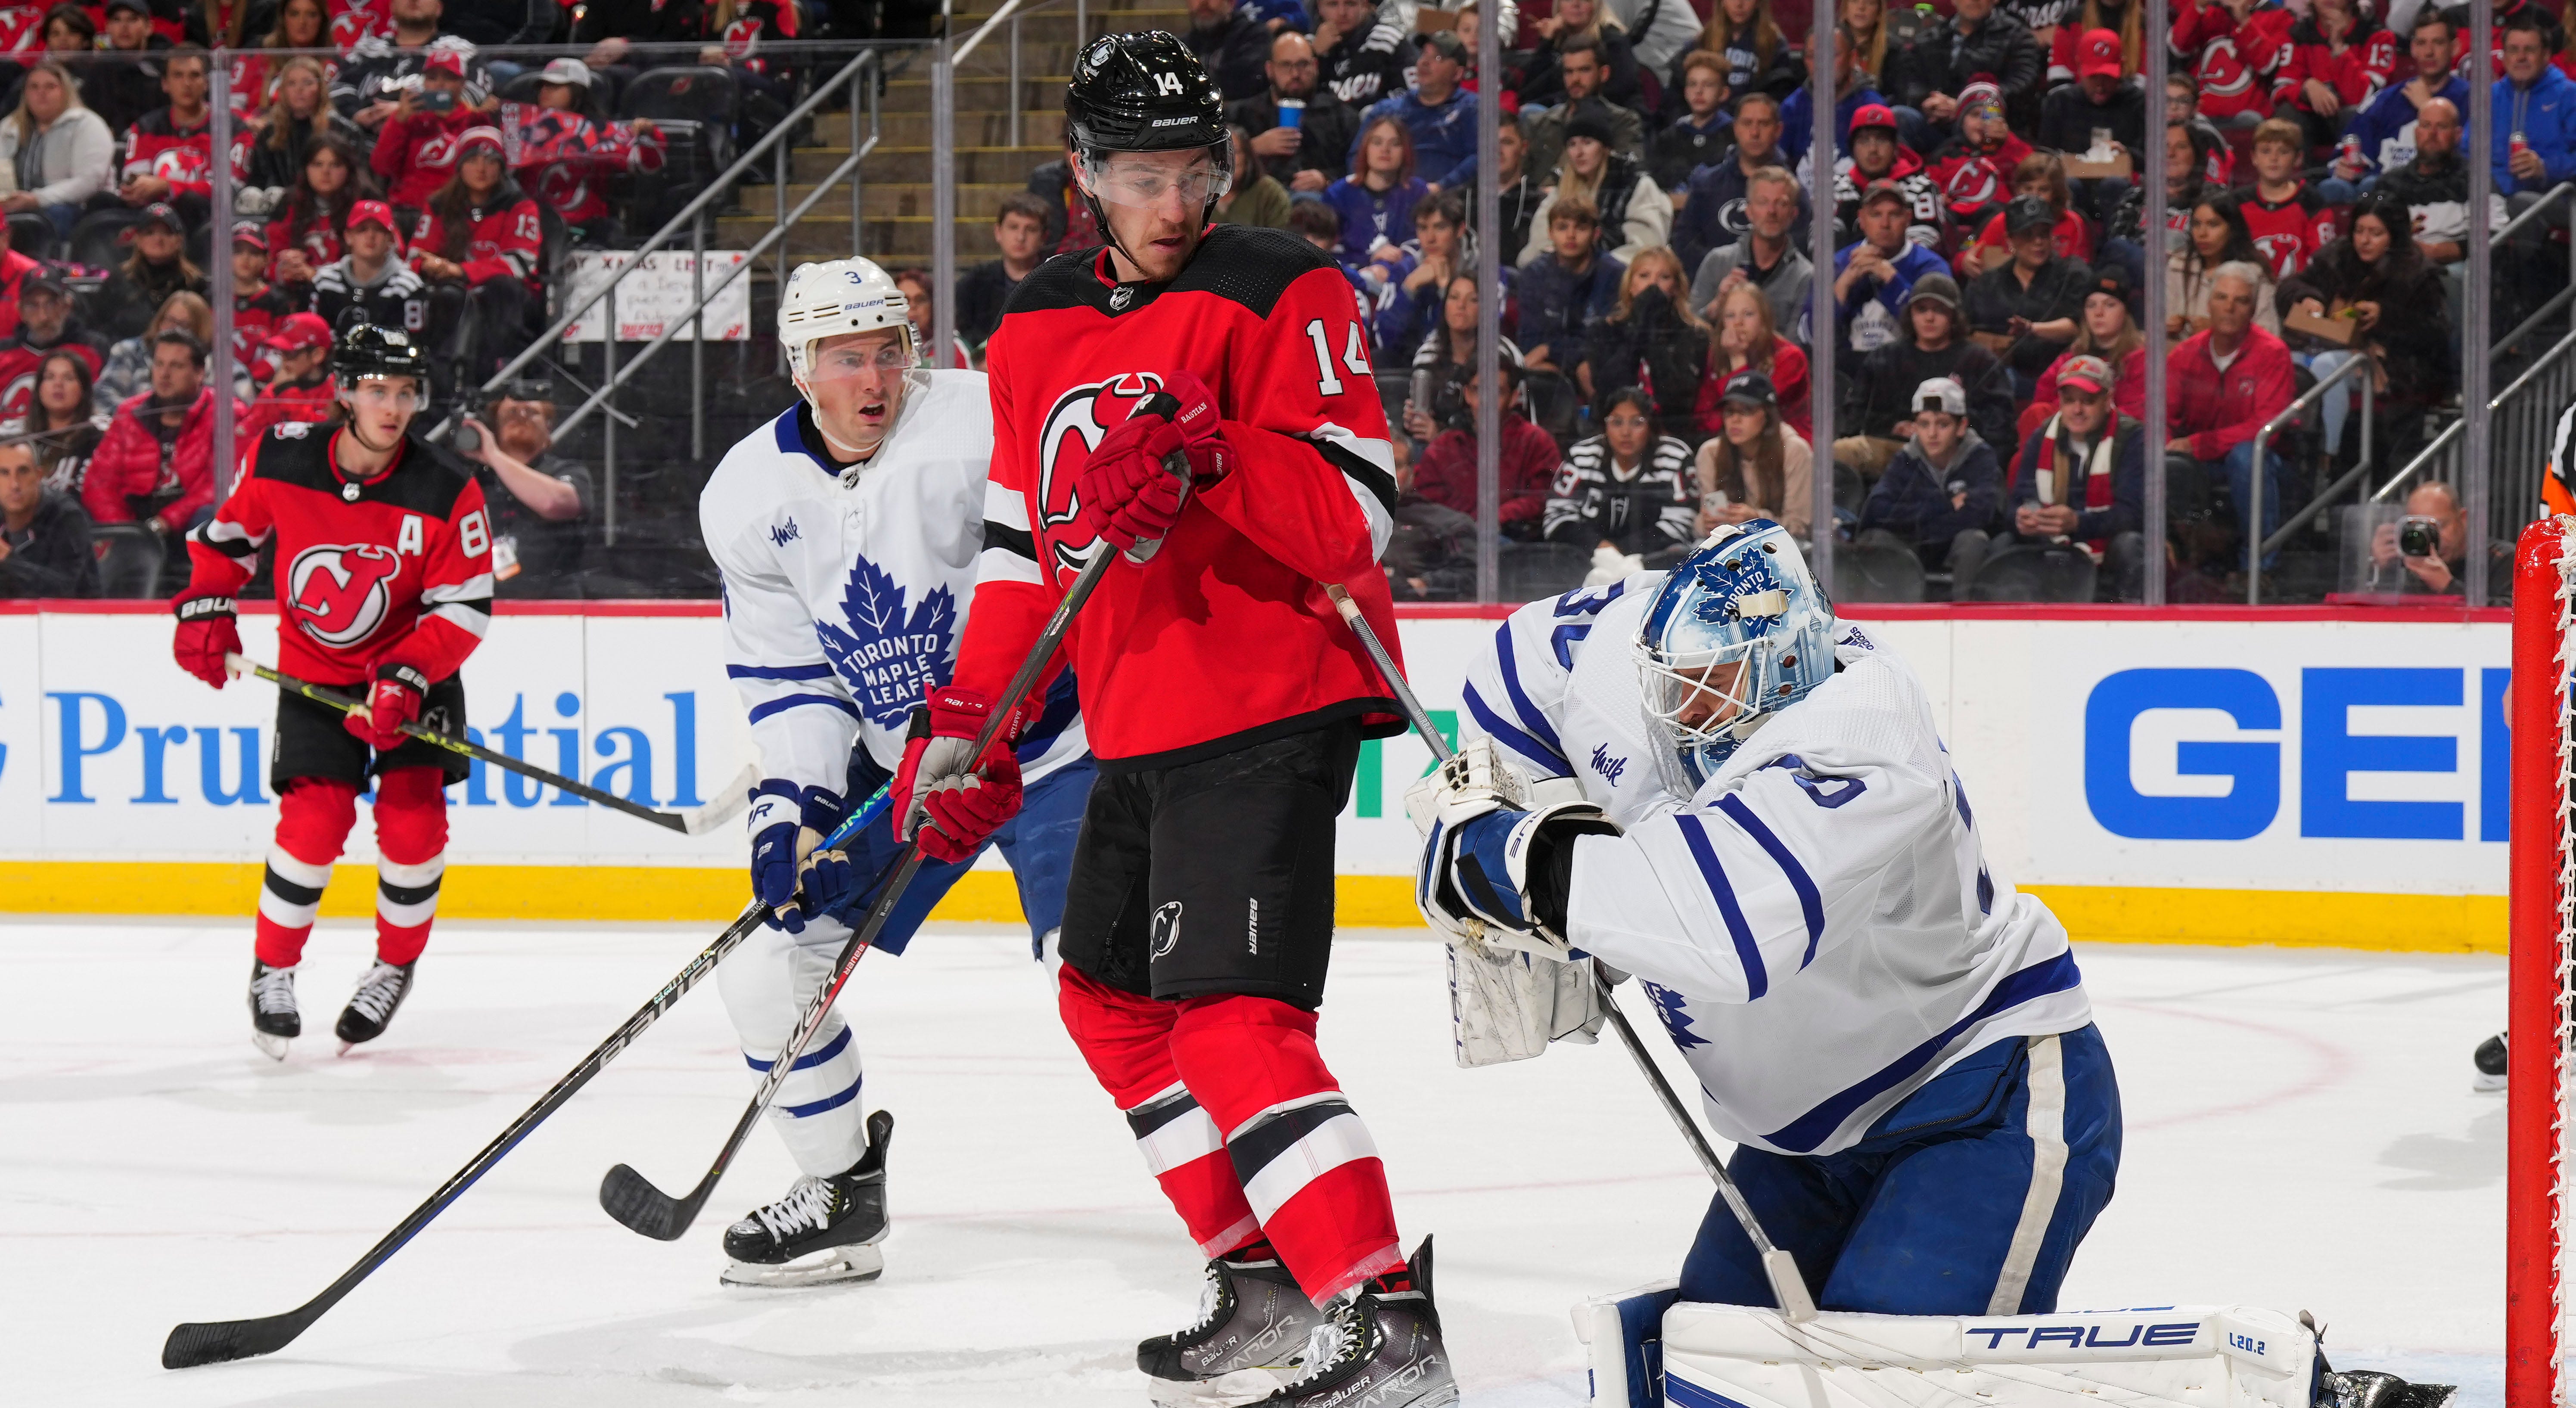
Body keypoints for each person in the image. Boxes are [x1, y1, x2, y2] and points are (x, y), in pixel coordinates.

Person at [940, 34, 1448, 1407]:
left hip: (1273, 693)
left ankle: (1383, 1313)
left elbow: (1354, 521)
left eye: (1196, 172)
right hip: (1133, 715)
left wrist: (1219, 454)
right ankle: (1261, 1276)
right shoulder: (1034, 323)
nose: (1176, 205)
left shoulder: (1286, 286)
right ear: (1083, 174)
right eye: (1143, 176)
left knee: (1230, 1015)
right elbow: (1014, 548)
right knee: (1109, 1002)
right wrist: (972, 725)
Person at [1416, 521, 2115, 1314]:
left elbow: (1724, 933)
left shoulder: (1862, 734)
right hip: (1797, 1144)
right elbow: (1519, 665)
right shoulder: (1642, 650)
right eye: (1674, 684)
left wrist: (1528, 864)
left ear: (1786, 670)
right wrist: (1525, 797)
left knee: (1894, 1383)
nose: (1681, 710)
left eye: (1713, 686)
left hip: (1972, 1098)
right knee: (1715, 1367)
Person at [171, 321, 488, 1059]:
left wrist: (407, 674)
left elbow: (465, 607)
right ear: (345, 392)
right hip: (316, 678)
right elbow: (229, 542)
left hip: (415, 680)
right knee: (313, 825)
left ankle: (393, 967)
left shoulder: (446, 487)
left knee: (414, 832)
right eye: (378, 390)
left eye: (407, 392)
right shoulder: (282, 457)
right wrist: (209, 603)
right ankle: (272, 971)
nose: (394, 407)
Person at [2275, 190, 2453, 460]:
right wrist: (2308, 298)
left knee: (2328, 366)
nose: (2364, 241)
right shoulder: (2337, 256)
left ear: (2394, 236)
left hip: (2395, 363)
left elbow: (2436, 332)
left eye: (2376, 233)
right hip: (2329, 345)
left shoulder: (2417, 272)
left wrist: (2385, 317)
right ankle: (2287, 446)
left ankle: (2327, 455)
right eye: (2359, 231)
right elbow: (2292, 286)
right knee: (2289, 360)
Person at [2166, 262, 2294, 566]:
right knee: (2163, 461)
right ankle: (2175, 561)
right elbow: (2161, 417)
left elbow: (2266, 428)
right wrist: (2168, 444)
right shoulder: (2184, 354)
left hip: (2263, 460)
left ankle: (2259, 567)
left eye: (2241, 301)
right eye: (2222, 298)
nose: (2229, 308)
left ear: (2252, 310)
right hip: (2200, 461)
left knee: (2246, 456)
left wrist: (2198, 444)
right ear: (2208, 304)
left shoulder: (2272, 353)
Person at [1836, 273, 2017, 478]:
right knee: (1842, 451)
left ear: (1955, 316)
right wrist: (1895, 426)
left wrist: (1947, 432)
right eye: (1921, 310)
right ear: (1910, 314)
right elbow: (1858, 413)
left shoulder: (1980, 361)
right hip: (1894, 448)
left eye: (1939, 310)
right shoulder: (1885, 358)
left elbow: (1999, 423)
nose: (1929, 318)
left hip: (1956, 453)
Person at [1997, 354, 2147, 597]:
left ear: (2108, 399)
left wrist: (2078, 523)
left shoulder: (2132, 438)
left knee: (2130, 546)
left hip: (2107, 545)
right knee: (2003, 545)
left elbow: (2134, 514)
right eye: (2068, 401)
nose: (2077, 410)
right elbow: (2019, 501)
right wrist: (2023, 519)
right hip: (2050, 540)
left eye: (2087, 401)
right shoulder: (2042, 436)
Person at [407, 125, 541, 384]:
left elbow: (522, 263)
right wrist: (431, 266)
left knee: (502, 288)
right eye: (473, 160)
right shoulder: (439, 205)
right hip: (452, 291)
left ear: (502, 167)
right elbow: (415, 255)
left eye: (491, 161)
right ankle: (439, 378)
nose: (482, 168)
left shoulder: (521, 205)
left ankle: (501, 375)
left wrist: (462, 271)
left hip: (508, 302)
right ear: (460, 166)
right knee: (444, 295)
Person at [84, 328, 242, 543]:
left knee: (211, 516)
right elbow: (100, 483)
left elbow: (223, 485)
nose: (164, 374)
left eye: (176, 366)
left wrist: (165, 522)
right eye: (159, 364)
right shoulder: (129, 413)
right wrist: (124, 531)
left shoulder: (227, 414)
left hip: (190, 521)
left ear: (199, 373)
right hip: (135, 521)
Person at [1856, 376, 2001, 593]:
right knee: (1878, 539)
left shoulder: (1980, 457)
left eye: (1943, 424)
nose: (1932, 434)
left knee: (1974, 539)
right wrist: (1945, 505)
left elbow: (1981, 516)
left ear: (1961, 427)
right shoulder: (1906, 458)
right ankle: (1890, 617)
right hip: (1914, 547)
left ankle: (1966, 617)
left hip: (1953, 549)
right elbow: (1876, 511)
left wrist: (1914, 517)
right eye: (1924, 425)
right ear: (1915, 427)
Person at [505, 59, 665, 248]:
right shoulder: (521, 130)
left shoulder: (601, 133)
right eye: (543, 86)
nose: (545, 92)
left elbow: (648, 164)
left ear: (577, 92)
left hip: (587, 228)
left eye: (555, 87)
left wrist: (650, 134)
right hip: (533, 224)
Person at [1545, 385, 1698, 566]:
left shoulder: (1675, 457)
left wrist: (1621, 555)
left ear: (1651, 426)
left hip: (1648, 564)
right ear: (1605, 426)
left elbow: (1681, 524)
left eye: (1637, 423)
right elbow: (1557, 517)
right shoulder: (1582, 456)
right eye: (1617, 422)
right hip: (1588, 560)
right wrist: (1601, 548)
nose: (1626, 433)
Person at [2326, 10, 2466, 199]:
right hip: (2382, 195)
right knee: (2335, 188)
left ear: (2455, 47)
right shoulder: (2388, 99)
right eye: (2421, 43)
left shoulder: (2472, 99)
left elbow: (2471, 158)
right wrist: (2341, 165)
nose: (2429, 52)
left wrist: (2429, 107)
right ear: (2413, 49)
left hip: (2443, 189)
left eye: (2438, 43)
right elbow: (2350, 144)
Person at [1964, 194, 2091, 394]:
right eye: (2028, 235)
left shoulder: (2073, 273)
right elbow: (1970, 331)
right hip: (1999, 374)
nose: (2038, 242)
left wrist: (2032, 329)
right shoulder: (1987, 283)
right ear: (2010, 241)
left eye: (2044, 234)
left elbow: (2078, 326)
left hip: (2058, 374)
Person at [1672, 93, 1809, 276]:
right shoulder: (1706, 185)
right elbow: (1684, 243)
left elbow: (1802, 248)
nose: (1754, 133)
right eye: (1747, 124)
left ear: (1778, 131)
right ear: (1736, 129)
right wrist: (1722, 271)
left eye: (1764, 124)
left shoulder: (1794, 193)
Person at [1886, 0, 2045, 149]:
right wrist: (1927, 101)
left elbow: (2023, 85)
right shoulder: (1931, 37)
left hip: (1989, 122)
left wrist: (1967, 106)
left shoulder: (2018, 37)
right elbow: (1911, 80)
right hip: (1937, 124)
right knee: (1901, 116)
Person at [1584, 246, 1707, 436]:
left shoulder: (1694, 335)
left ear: (1675, 288)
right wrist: (1641, 326)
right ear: (1631, 286)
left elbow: (1676, 398)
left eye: (1664, 277)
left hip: (1670, 434)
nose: (1653, 286)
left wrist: (1652, 333)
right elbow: (1609, 389)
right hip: (1611, 434)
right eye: (1644, 276)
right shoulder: (1604, 331)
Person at [1523, 118, 1674, 267]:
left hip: (1619, 276)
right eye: (1572, 145)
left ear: (1605, 148)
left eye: (1587, 143)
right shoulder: (1561, 190)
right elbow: (1540, 241)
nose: (1579, 152)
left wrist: (1595, 269)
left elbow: (1645, 247)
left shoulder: (1635, 185)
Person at [1689, 164, 1813, 344]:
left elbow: (1795, 351)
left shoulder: (1806, 277)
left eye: (1781, 203)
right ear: (1749, 211)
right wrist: (1716, 306)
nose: (1771, 212)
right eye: (1763, 202)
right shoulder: (1718, 262)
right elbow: (1690, 335)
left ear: (1793, 214)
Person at [2036, 28, 2149, 220]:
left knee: (2113, 186)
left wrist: (2128, 155)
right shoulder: (2060, 101)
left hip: (2121, 186)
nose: (2100, 85)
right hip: (2073, 183)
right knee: (2070, 185)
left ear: (2120, 68)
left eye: (2107, 77)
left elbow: (2151, 158)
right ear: (2079, 68)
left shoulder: (2138, 102)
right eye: (2093, 77)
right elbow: (2044, 155)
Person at [1229, 31, 1360, 196]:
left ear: (1315, 67)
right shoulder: (1242, 114)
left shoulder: (1341, 116)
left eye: (1303, 65)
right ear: (1270, 70)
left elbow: (1360, 168)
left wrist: (1326, 179)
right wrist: (1253, 148)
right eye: (1286, 65)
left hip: (1321, 206)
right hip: (1260, 206)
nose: (1295, 74)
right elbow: (1214, 166)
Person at [371, 47, 496, 217]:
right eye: (432, 78)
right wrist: (398, 121)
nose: (440, 84)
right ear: (424, 83)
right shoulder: (409, 120)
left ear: (463, 84)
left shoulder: (475, 121)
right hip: (407, 211)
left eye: (449, 78)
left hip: (455, 214)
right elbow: (381, 167)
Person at [1830, 181, 1949, 358]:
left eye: (1894, 215)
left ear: (1908, 219)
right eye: (1876, 215)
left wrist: (1890, 277)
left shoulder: (1931, 267)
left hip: (1911, 365)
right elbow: (1809, 333)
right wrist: (1845, 283)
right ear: (1861, 219)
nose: (1885, 224)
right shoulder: (1839, 264)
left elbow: (1937, 331)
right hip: (1848, 369)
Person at [2377, 97, 2496, 270]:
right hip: (2399, 262)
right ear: (2417, 133)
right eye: (2426, 126)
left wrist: (2447, 251)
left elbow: (2497, 234)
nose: (2432, 134)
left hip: (2453, 266)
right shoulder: (2389, 182)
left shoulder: (2476, 180)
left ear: (2457, 135)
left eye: (2442, 127)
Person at [1694, 367, 1813, 537]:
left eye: (1746, 411)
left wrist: (1757, 520)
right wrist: (1704, 524)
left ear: (1768, 415)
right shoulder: (1711, 453)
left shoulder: (1794, 450)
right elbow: (1704, 521)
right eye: (1730, 412)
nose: (1735, 420)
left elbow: (1800, 526)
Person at [2026, 264, 2147, 431]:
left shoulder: (2140, 360)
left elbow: (2136, 415)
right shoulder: (2071, 358)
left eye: (2110, 305)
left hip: (2114, 440)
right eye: (2091, 306)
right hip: (2065, 434)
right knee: (2036, 413)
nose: (2099, 313)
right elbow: (2043, 397)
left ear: (2126, 313)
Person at [0, 61, 112, 242]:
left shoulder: (88, 124)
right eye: (34, 87)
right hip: (18, 204)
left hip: (73, 208)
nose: (41, 93)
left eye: (50, 87)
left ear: (65, 91)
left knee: (57, 214)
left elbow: (89, 182)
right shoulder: (10, 126)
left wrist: (36, 199)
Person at [1356, 30, 1479, 189]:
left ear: (1457, 73)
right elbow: (1357, 156)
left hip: (1448, 201)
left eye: (1438, 58)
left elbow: (1481, 158)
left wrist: (1442, 187)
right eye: (1423, 55)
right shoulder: (1387, 110)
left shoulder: (1472, 109)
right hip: (1390, 197)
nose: (1424, 62)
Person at [1516, 196, 1624, 376]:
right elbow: (1530, 340)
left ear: (1595, 234)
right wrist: (1551, 353)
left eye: (1581, 228)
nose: (1571, 235)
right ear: (1550, 233)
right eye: (1562, 227)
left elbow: (1606, 339)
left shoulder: (1614, 275)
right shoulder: (1534, 274)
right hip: (1550, 364)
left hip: (1595, 361)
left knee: (1587, 370)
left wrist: (1550, 349)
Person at [1519, 36, 1647, 184]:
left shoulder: (1624, 122)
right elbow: (1522, 178)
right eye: (1569, 72)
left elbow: (1627, 175)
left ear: (1604, 73)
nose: (1576, 79)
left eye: (1584, 70)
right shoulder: (1538, 124)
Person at [1412, 269, 1526, 435]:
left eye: (1473, 300)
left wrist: (1439, 436)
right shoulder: (1428, 355)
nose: (1461, 306)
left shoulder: (1504, 356)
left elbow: (1515, 424)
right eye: (1454, 298)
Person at [2271, 0, 2395, 153]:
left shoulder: (2377, 34)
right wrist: (2306, 87)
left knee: (2354, 115)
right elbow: (2280, 91)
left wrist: (2339, 47)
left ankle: (2354, 175)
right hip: (2313, 119)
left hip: (2355, 120)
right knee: (2287, 115)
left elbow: (2365, 99)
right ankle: (2297, 177)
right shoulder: (2298, 34)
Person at [1697, 280, 1811, 442]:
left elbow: (1753, 416)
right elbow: (1706, 418)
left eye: (1748, 314)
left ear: (1764, 320)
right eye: (1730, 316)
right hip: (1733, 444)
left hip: (1783, 446)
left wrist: (1737, 358)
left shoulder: (1790, 358)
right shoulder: (1716, 356)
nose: (1738, 323)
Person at [1324, 114, 1428, 286]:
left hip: (1402, 277)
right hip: (1349, 280)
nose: (1385, 150)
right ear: (1365, 149)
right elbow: (1327, 249)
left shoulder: (1418, 192)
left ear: (1405, 152)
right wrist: (1367, 265)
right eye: (1377, 143)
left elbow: (1423, 243)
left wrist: (1385, 266)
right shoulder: (1338, 194)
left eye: (1395, 144)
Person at [1953, 151, 2092, 279]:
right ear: (2018, 189)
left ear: (2056, 193)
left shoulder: (2073, 222)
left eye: (2043, 190)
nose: (2034, 196)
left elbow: (2081, 272)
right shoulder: (2002, 221)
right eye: (2028, 189)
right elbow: (1967, 258)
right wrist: (1965, 262)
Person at [118, 43, 214, 225]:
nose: (187, 84)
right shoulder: (146, 127)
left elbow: (228, 190)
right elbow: (135, 182)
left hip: (201, 220)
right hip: (150, 216)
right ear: (165, 84)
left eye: (194, 76)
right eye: (178, 76)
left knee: (190, 201)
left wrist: (166, 186)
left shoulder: (229, 128)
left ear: (207, 83)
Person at [2493, 15, 2576, 227]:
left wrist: (2544, 167)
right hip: (2497, 197)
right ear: (2504, 56)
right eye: (2513, 50)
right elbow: (2468, 151)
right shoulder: (2490, 97)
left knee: (2521, 205)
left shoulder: (2569, 95)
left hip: (2557, 199)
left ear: (2546, 55)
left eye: (2530, 50)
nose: (2521, 57)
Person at [242, 55, 364, 197]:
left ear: (321, 89)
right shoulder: (269, 133)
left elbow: (357, 181)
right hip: (282, 208)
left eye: (307, 83)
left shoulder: (344, 131)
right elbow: (258, 181)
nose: (299, 89)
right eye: (292, 83)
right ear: (283, 91)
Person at [1374, 189, 1471, 364]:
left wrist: (1446, 291)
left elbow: (1471, 337)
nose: (1430, 238)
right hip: (1410, 362)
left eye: (1440, 227)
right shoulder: (1405, 271)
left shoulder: (1481, 271)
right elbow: (1384, 338)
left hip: (1465, 362)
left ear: (1460, 230)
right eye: (1423, 228)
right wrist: (1410, 288)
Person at [1924, 81, 2031, 241]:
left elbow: (2032, 172)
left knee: (1998, 214)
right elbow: (1929, 187)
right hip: (1954, 215)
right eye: (1975, 115)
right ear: (1962, 121)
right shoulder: (1945, 154)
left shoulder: (2011, 150)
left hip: (1995, 219)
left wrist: (2007, 142)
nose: (1983, 122)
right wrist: (1938, 198)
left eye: (1991, 115)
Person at [1827, 102, 1939, 249]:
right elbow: (1818, 248)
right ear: (1852, 149)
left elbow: (1926, 244)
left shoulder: (1920, 188)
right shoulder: (1834, 189)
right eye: (1864, 140)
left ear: (1895, 147)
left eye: (1882, 140)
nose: (1873, 149)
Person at [2360, 479, 2499, 596]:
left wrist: (2447, 586)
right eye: (2421, 528)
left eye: (2440, 525)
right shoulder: (2405, 560)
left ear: (2463, 519)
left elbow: (2511, 616)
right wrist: (2378, 568)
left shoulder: (2500, 559)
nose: (2433, 538)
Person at [314, 200, 431, 338]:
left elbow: (415, 341)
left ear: (390, 239)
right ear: (348, 237)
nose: (371, 236)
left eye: (379, 230)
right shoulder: (325, 281)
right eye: (362, 229)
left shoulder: (408, 286)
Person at [2166, 193, 2280, 335]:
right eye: (2196, 225)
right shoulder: (2178, 266)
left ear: (2232, 229)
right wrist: (2166, 327)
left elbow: (2269, 336)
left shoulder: (2254, 275)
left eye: (2213, 225)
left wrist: (2217, 330)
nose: (2202, 233)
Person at [94, 204, 207, 343]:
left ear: (180, 240)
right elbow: (99, 328)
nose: (158, 240)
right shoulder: (118, 280)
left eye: (167, 233)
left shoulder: (195, 284)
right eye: (150, 233)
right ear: (138, 239)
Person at [267, 136, 370, 289]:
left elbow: (379, 266)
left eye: (335, 165)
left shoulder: (367, 206)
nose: (325, 172)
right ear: (306, 168)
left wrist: (316, 275)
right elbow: (266, 263)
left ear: (349, 169)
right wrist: (285, 268)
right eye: (317, 164)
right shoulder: (290, 203)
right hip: (298, 293)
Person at [2171, 0, 2295, 126]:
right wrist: (2198, 6)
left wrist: (2245, 21)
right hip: (2199, 117)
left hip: (2247, 122)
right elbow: (2179, 47)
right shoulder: (2209, 11)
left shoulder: (2281, 16)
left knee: (2249, 121)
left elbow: (2267, 65)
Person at [0, 436, 96, 596]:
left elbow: (64, 590)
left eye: (23, 472)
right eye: (4, 473)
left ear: (39, 476)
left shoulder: (66, 516)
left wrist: (8, 559)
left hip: (73, 618)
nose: (14, 485)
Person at [0, 273, 105, 421]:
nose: (43, 316)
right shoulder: (4, 354)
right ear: (21, 311)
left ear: (66, 306)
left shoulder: (92, 350)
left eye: (51, 304)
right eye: (33, 305)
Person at [93, 288, 211, 418]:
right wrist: (138, 420)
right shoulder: (129, 351)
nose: (175, 329)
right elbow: (103, 393)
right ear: (160, 322)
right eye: (170, 321)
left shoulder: (215, 363)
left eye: (184, 325)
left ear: (200, 330)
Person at [2239, 118, 2334, 279]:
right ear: (2254, 157)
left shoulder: (2312, 203)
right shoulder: (2238, 202)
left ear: (2298, 158)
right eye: (2266, 151)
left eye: (2283, 152)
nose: (2274, 158)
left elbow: (2322, 264)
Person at [957, 193, 1052, 350]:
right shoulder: (973, 285)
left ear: (1044, 238)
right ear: (998, 232)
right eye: (1013, 227)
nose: (1021, 237)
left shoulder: (1057, 283)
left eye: (1031, 229)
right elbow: (965, 337)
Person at [237, 310, 340, 447]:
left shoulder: (336, 392)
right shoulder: (276, 390)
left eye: (291, 354)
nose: (284, 362)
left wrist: (289, 394)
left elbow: (321, 437)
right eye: (282, 353)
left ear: (317, 355)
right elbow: (246, 433)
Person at [1517, 0, 1642, 109]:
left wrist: (1552, 103)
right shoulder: (1557, 42)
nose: (1576, 4)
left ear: (1596, 6)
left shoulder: (1614, 42)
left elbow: (1618, 92)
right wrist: (1547, 42)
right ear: (1559, 6)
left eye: (1585, 0)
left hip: (1614, 118)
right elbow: (1529, 94)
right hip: (1560, 116)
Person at [1685, 0, 1805, 110]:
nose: (1739, 4)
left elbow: (1779, 92)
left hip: (1753, 121)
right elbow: (1678, 87)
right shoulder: (1704, 40)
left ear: (1759, 3)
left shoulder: (1774, 43)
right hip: (1712, 122)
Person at [84, 0, 174, 139]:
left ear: (149, 27)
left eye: (132, 19)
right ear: (108, 28)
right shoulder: (99, 70)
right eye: (117, 20)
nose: (124, 27)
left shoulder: (166, 66)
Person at [1653, 50, 1737, 193]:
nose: (1699, 91)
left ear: (1723, 94)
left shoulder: (1735, 135)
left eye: (1708, 85)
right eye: (1693, 84)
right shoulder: (1670, 137)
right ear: (1685, 91)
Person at [23, 348, 103, 498]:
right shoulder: (16, 437)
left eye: (69, 378)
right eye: (50, 377)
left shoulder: (99, 442)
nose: (58, 384)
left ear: (84, 390)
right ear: (39, 388)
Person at [1308, 0, 1412, 109]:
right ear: (1319, 8)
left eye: (1350, 4)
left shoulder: (1389, 41)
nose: (1342, 13)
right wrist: (1314, 54)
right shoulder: (1305, 48)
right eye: (1333, 4)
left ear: (1365, 5)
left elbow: (1412, 97)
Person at [1184, 0, 1269, 102]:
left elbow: (1244, 83)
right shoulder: (1181, 47)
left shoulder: (1255, 37)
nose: (1204, 2)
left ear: (1231, 3)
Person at [1214, 121, 1293, 229]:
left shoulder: (1270, 193)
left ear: (1248, 158)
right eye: (1220, 152)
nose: (1227, 159)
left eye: (1234, 152)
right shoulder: (1196, 192)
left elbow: (1282, 240)